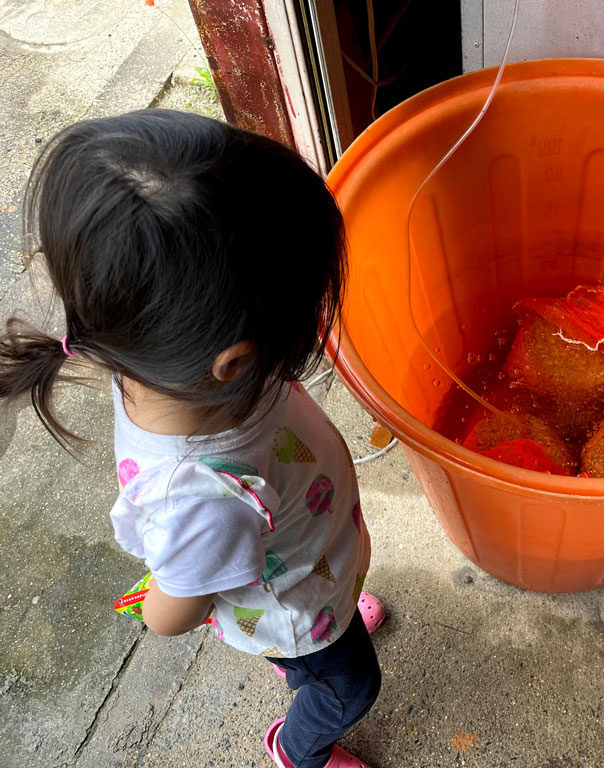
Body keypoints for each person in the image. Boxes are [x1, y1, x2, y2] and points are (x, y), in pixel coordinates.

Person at [0, 110, 383, 768]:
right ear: (233, 361)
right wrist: (170, 590)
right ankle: (298, 748)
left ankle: (317, 634)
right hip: (294, 606)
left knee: (318, 643)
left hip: (308, 563)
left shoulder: (160, 369)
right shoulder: (203, 499)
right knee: (351, 687)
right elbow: (169, 614)